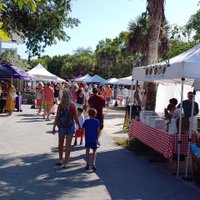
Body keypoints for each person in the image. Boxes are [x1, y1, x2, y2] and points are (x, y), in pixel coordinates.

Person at [52, 89, 81, 168]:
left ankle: (60, 159)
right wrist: (79, 126)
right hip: (70, 126)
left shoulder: (60, 105)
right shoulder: (72, 105)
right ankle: (66, 162)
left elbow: (57, 116)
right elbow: (75, 117)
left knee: (60, 144)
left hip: (61, 126)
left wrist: (54, 126)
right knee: (68, 146)